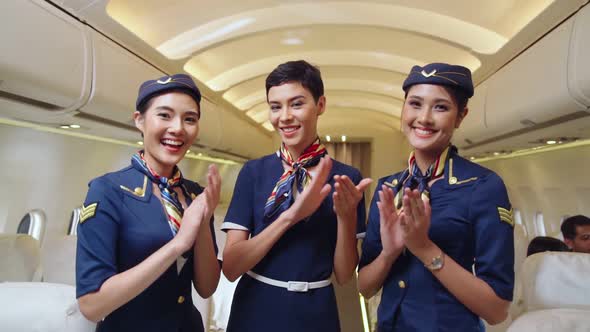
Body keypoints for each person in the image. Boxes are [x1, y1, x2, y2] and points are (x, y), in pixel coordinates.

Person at [358, 63, 515, 331]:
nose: (424, 118)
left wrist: (423, 248)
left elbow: (497, 310)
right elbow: (365, 287)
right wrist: (389, 253)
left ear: (461, 116)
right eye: (415, 104)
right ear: (403, 108)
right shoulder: (389, 187)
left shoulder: (483, 187)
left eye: (440, 107)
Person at [221, 60, 371, 332]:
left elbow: (344, 273)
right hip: (256, 307)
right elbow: (231, 268)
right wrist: (291, 216)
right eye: (275, 107)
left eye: (297, 104)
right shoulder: (254, 172)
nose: (285, 116)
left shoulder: (346, 178)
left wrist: (347, 219)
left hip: (316, 311)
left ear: (321, 105)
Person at [76, 74, 221, 331]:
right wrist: (178, 244)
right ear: (139, 120)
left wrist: (202, 223)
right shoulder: (107, 191)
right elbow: (91, 306)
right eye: (164, 115)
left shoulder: (196, 195)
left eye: (189, 119)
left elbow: (206, 287)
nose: (178, 128)